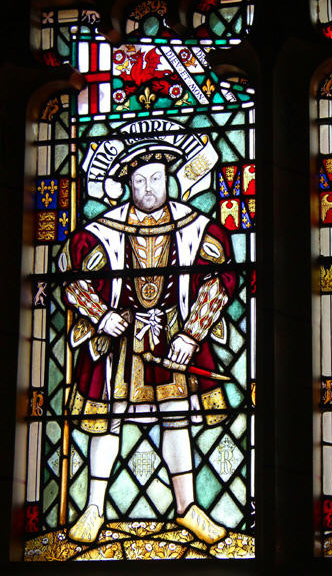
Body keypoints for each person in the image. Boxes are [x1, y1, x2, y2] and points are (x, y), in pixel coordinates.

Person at [60, 142, 236, 544]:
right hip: (119, 341)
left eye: (156, 178)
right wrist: (102, 315)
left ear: (169, 179)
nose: (149, 188)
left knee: (176, 419)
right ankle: (93, 508)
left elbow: (222, 278)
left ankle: (188, 508)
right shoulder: (102, 232)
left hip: (173, 337)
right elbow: (70, 278)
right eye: (139, 181)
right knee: (106, 421)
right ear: (128, 185)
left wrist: (192, 334)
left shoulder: (196, 228)